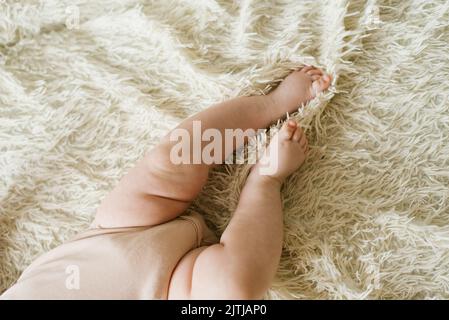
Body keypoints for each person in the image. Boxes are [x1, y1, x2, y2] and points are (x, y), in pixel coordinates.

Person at [1, 66, 331, 299]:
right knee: (234, 289)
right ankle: (265, 180)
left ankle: (270, 105)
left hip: (116, 233)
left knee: (174, 156)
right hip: (174, 289)